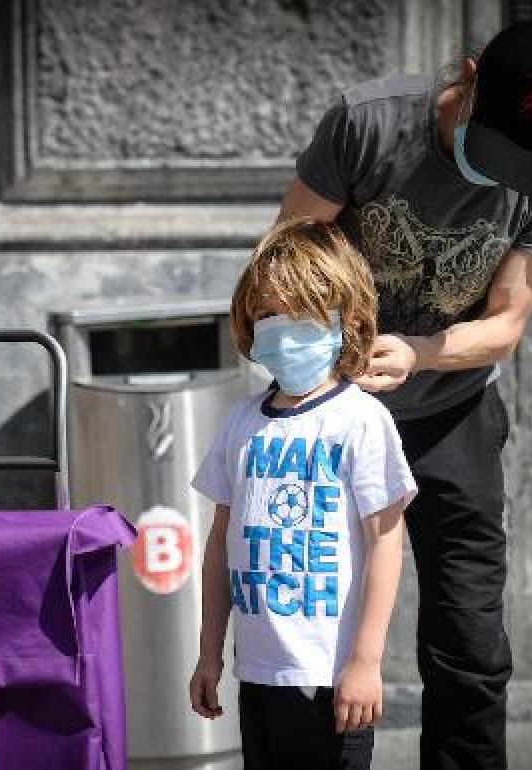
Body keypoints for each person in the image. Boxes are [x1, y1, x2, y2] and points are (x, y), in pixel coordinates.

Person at [274, 19, 532, 770]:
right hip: (333, 410)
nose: (499, 174)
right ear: (470, 77)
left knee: (470, 643)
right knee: (326, 634)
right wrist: (331, 363)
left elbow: (508, 322)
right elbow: (287, 260)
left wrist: (419, 353)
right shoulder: (368, 124)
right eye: (496, 145)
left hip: (456, 416)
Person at [188, 218, 418, 770]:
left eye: (301, 313)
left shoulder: (361, 421)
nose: (281, 328)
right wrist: (209, 654)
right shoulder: (240, 422)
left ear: (344, 319)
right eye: (268, 313)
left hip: (331, 682)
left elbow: (386, 545)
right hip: (258, 677)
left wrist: (366, 662)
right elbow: (220, 546)